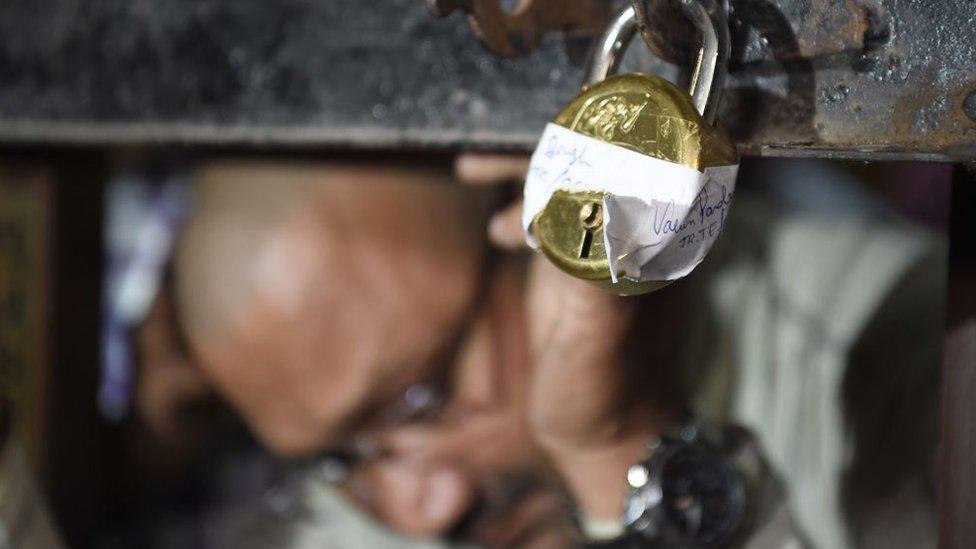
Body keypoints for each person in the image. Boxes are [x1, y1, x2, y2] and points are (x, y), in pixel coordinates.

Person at [162, 155, 941, 548]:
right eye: (343, 457)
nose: (423, 510)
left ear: (540, 224)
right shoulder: (341, 522)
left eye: (421, 398)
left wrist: (618, 448)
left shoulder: (898, 348)